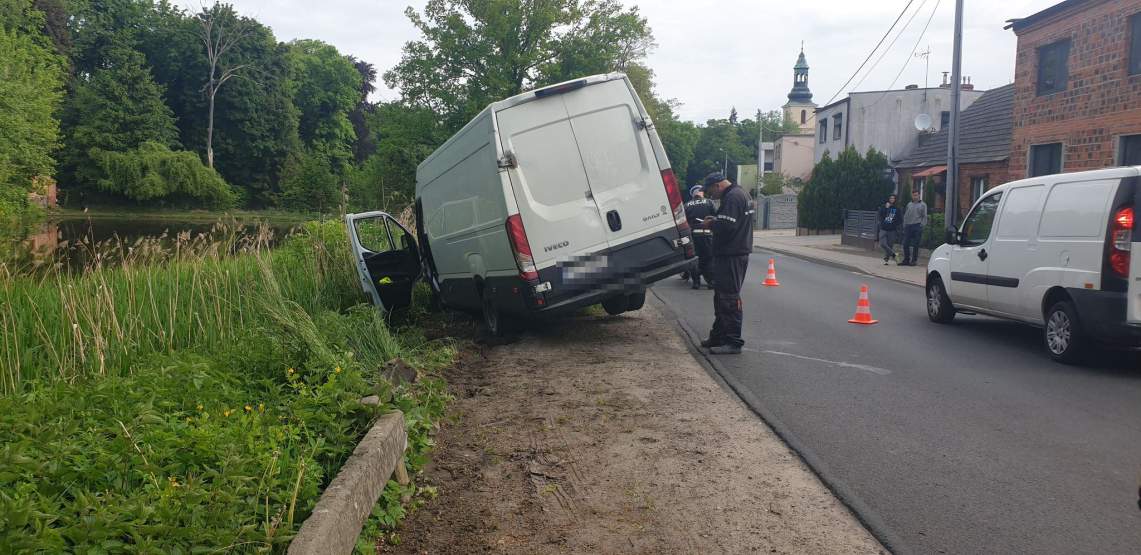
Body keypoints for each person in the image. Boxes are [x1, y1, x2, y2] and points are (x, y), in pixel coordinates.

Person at [698, 172, 754, 355]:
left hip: (732, 254)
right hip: (733, 253)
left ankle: (733, 341)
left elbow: (728, 226)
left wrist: (711, 224)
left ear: (717, 185)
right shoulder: (741, 194)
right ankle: (719, 336)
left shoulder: (732, 197)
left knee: (729, 298)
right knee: (721, 297)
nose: (711, 196)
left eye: (710, 192)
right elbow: (732, 222)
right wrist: (717, 220)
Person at [684, 184, 716, 289]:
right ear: (702, 192)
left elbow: (684, 222)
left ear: (692, 194)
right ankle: (711, 282)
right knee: (709, 258)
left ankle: (696, 282)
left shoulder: (687, 205)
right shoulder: (709, 202)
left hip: (693, 236)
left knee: (694, 258)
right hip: (707, 235)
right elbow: (715, 217)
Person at [900, 190, 928, 266]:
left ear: (919, 195)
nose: (915, 197)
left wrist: (921, 225)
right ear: (912, 196)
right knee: (905, 244)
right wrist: (904, 225)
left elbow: (924, 216)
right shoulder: (909, 204)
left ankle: (914, 260)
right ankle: (906, 259)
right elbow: (906, 215)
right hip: (908, 226)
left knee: (916, 244)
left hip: (917, 225)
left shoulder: (923, 205)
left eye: (916, 195)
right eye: (913, 195)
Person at [877, 194, 901, 265]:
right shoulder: (884, 206)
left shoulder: (897, 208)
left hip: (892, 230)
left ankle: (886, 259)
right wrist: (886, 208)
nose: (892, 199)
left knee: (890, 245)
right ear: (888, 199)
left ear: (895, 200)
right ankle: (894, 255)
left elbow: (900, 219)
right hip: (883, 228)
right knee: (882, 244)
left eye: (893, 198)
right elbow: (880, 215)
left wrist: (895, 225)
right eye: (890, 198)